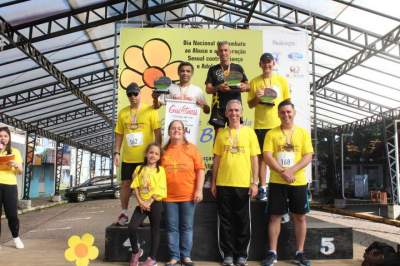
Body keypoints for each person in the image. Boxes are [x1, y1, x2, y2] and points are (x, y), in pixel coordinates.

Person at [262, 100, 314, 266]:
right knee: (275, 217)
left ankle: (299, 252)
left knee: (300, 217)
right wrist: (283, 172)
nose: (286, 115)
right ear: (278, 114)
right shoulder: (271, 133)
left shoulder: (303, 133)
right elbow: (267, 156)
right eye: (282, 112)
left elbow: (308, 156)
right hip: (278, 181)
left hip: (298, 182)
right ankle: (272, 253)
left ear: (294, 113)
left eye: (288, 112)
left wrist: (292, 171)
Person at [211, 100, 260, 266]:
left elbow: (255, 159)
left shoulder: (249, 133)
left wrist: (255, 182)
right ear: (225, 114)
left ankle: (241, 254)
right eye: (230, 110)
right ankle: (228, 254)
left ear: (241, 112)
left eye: (236, 110)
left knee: (242, 220)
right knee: (225, 221)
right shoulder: (221, 134)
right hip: (223, 183)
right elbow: (216, 160)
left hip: (243, 184)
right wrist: (213, 183)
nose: (233, 113)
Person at [114, 83, 162, 225]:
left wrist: (158, 153)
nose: (132, 97)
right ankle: (124, 212)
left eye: (135, 93)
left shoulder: (150, 110)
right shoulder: (123, 112)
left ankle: (146, 214)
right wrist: (116, 152)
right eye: (129, 94)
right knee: (125, 184)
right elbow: (119, 134)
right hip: (128, 157)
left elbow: (157, 133)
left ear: (140, 94)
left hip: (145, 158)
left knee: (146, 185)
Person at [248, 52, 290, 201]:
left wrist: (287, 122)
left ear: (273, 64)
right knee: (262, 159)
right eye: (264, 62)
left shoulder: (282, 80)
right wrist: (258, 98)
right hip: (260, 125)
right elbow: (250, 104)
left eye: (269, 62)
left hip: (278, 125)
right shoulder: (254, 82)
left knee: (281, 156)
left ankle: (282, 187)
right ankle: (263, 188)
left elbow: (287, 103)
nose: (267, 65)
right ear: (260, 64)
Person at [162, 120, 205, 266]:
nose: (176, 130)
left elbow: (200, 170)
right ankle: (174, 257)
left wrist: (199, 190)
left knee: (186, 227)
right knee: (172, 228)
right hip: (168, 198)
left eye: (179, 128)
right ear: (169, 132)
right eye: (173, 128)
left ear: (184, 131)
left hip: (188, 196)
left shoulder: (192, 149)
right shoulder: (163, 151)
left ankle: (186, 256)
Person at [128, 143, 166, 266]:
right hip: (141, 204)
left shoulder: (161, 171)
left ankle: (152, 258)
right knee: (132, 227)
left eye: (156, 153)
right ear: (146, 154)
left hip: (155, 204)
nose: (153, 155)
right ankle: (136, 252)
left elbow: (161, 188)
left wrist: (149, 202)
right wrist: (140, 202)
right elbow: (135, 187)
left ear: (159, 157)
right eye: (151, 152)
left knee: (155, 230)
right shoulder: (139, 169)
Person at [205, 41, 249, 134]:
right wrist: (218, 88)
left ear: (230, 52)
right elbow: (208, 89)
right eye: (221, 51)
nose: (223, 53)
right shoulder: (213, 69)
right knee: (218, 135)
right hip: (218, 107)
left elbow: (248, 86)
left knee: (235, 133)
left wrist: (244, 87)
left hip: (235, 107)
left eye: (225, 50)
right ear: (217, 53)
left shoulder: (238, 68)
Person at [0, 126, 24, 249]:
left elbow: (20, 171)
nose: (3, 138)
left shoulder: (15, 152)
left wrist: (15, 165)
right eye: (0, 136)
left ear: (9, 138)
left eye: (5, 136)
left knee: (12, 215)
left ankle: (16, 237)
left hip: (10, 186)